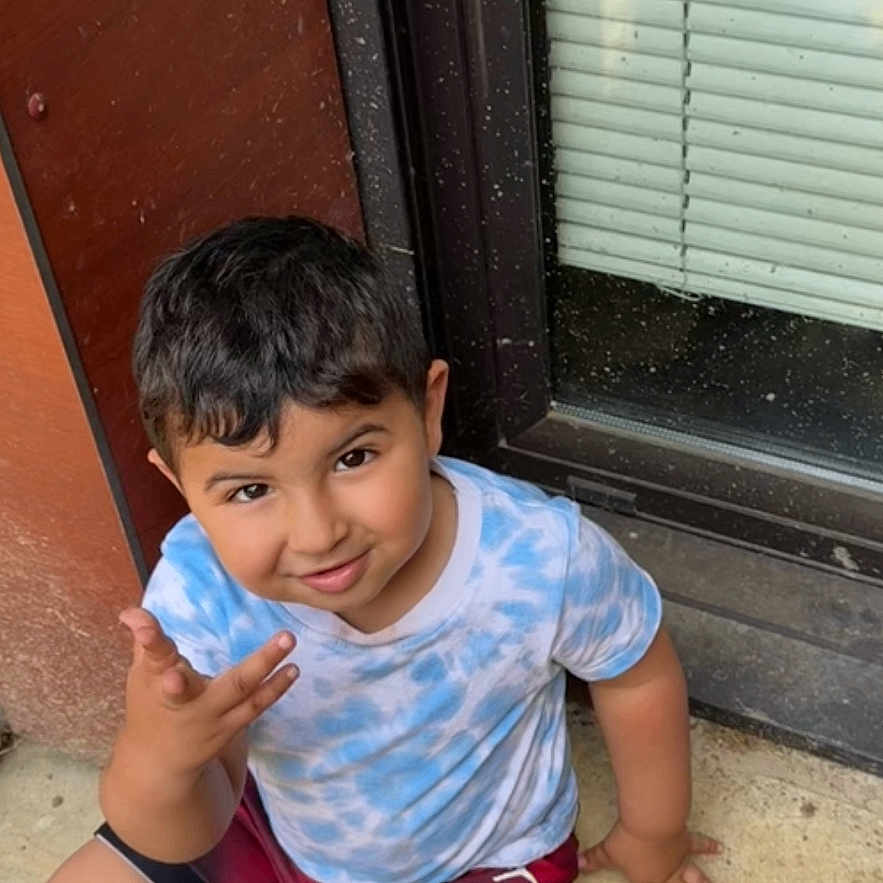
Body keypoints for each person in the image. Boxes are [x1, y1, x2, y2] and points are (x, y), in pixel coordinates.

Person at [51, 216, 719, 883]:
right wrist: (162, 759)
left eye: (353, 457)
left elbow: (634, 671)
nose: (318, 534)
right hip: (280, 831)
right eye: (251, 489)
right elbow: (181, 831)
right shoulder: (200, 592)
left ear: (427, 412)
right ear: (182, 488)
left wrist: (652, 833)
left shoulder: (537, 557)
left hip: (479, 861)